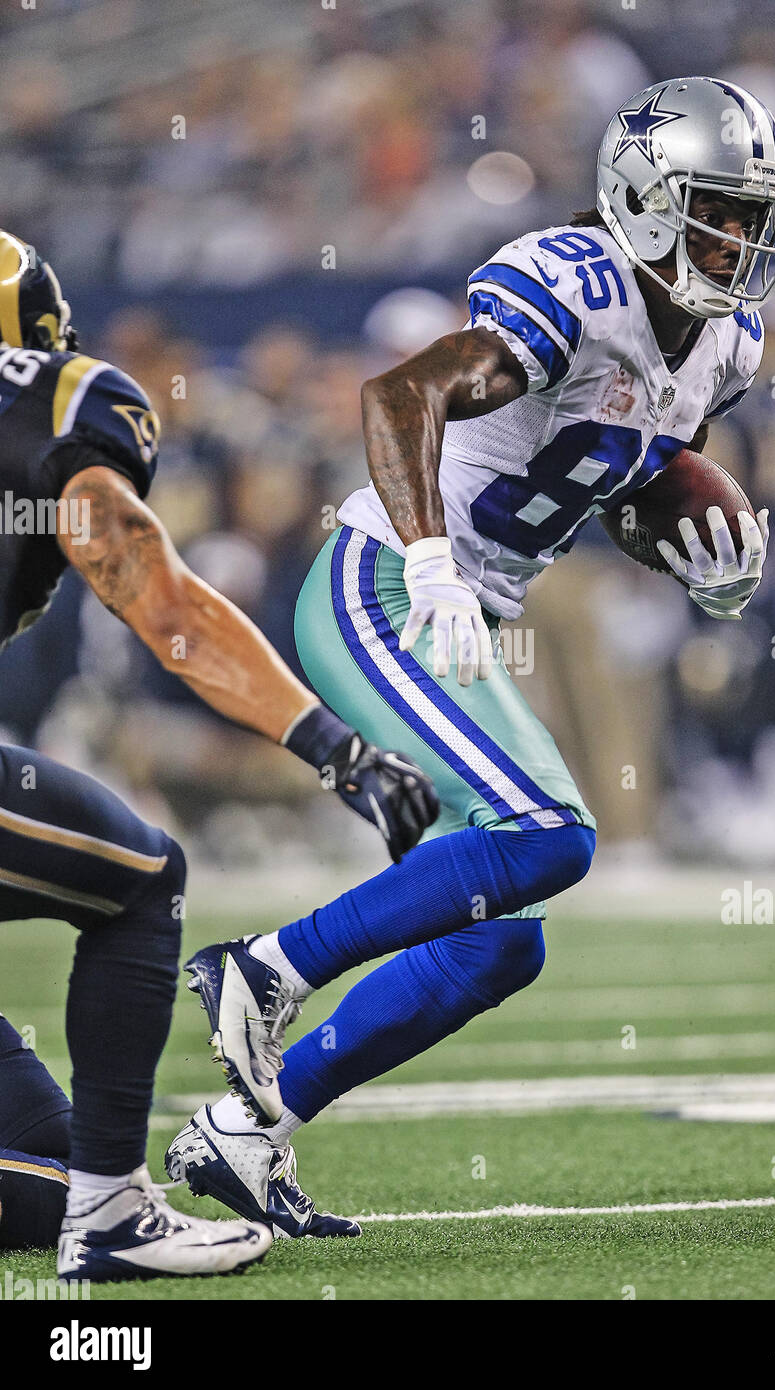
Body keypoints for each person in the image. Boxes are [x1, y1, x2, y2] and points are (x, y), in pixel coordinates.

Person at [167, 78, 775, 1231]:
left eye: (753, 215)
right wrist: (429, 558)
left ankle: (245, 1134)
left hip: (457, 604)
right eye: (720, 210)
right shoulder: (574, 282)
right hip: (385, 586)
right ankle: (262, 968)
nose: (743, 239)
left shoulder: (725, 344)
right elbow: (399, 395)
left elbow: (613, 485)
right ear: (648, 199)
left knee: (497, 946)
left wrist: (697, 561)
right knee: (553, 835)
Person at [0, 230, 438, 1277]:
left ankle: (89, 1200)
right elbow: (163, 605)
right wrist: (334, 746)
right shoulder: (60, 399)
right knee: (144, 879)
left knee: (47, 1166)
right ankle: (109, 1225)